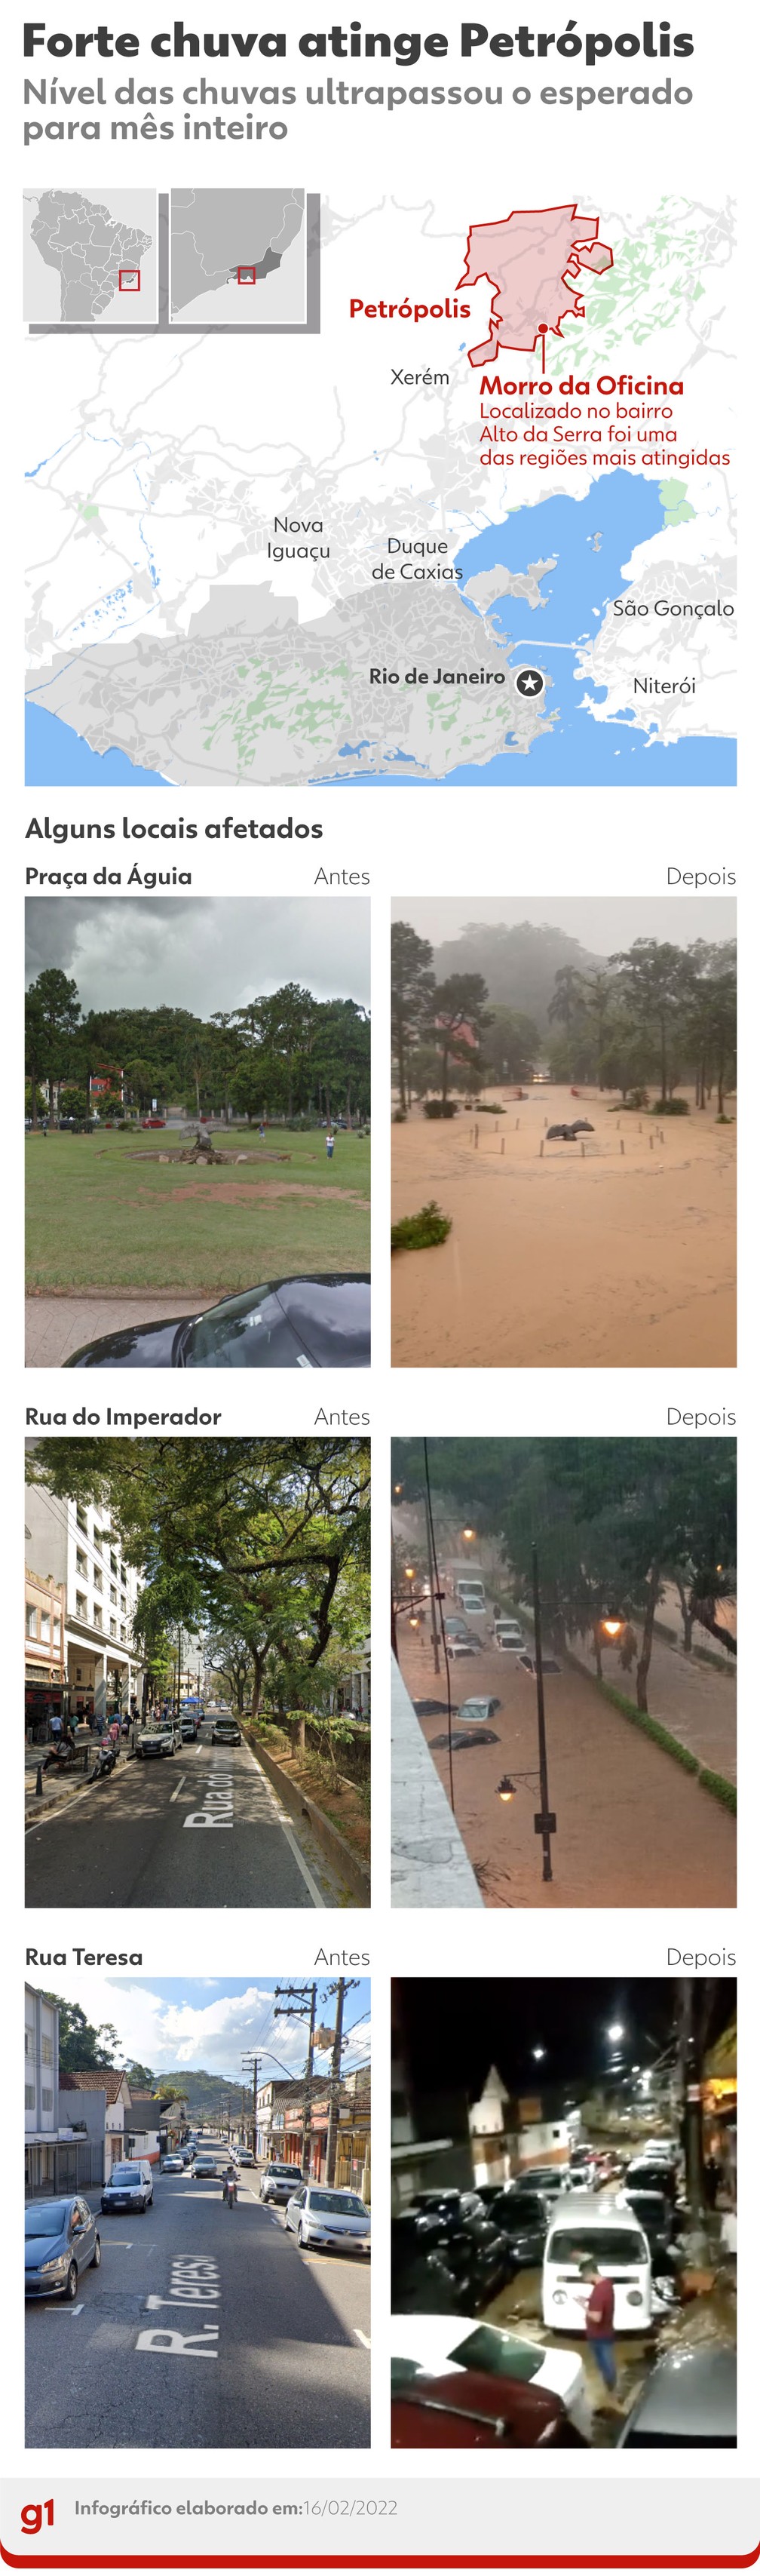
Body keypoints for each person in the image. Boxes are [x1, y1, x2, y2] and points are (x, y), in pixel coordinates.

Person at [581, 2259, 617, 2398]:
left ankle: (611, 2392)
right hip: (607, 2332)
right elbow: (603, 2304)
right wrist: (589, 2301)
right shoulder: (607, 2285)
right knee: (609, 2363)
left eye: (583, 2276)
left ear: (589, 2273)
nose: (584, 2280)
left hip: (598, 2335)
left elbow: (596, 2317)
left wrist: (584, 2307)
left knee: (605, 2365)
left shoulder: (598, 2291)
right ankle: (612, 2390)